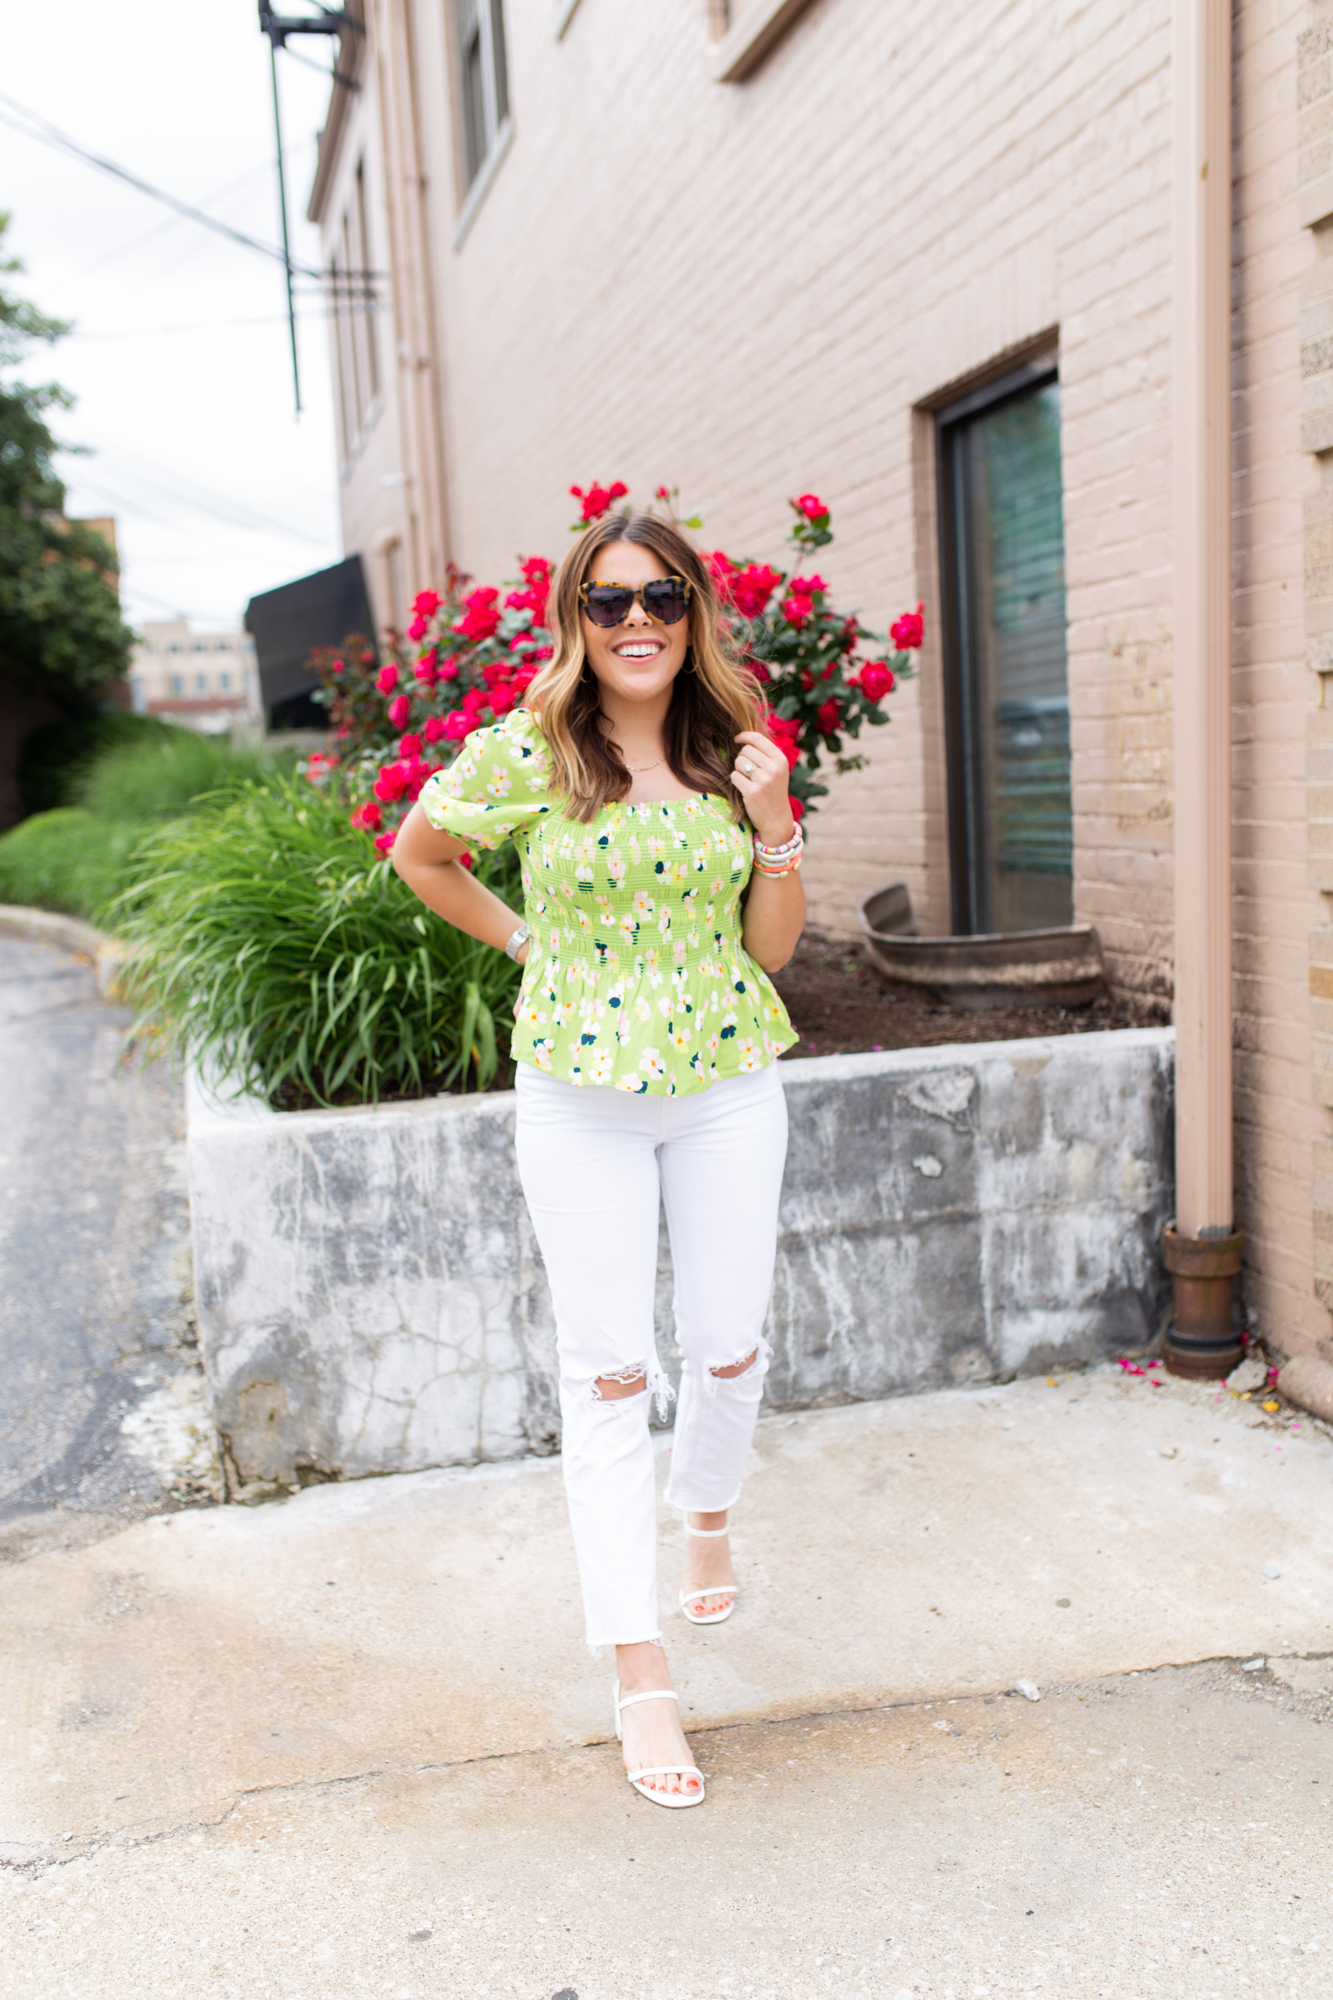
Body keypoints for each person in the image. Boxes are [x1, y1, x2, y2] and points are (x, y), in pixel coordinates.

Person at [391, 512, 805, 1808]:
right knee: (611, 1372)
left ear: (694, 617)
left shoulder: (723, 750)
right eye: (610, 602)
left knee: (729, 1342)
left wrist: (775, 816)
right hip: (580, 1097)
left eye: (662, 599)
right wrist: (528, 949)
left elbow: (777, 949)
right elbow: (422, 856)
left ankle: (708, 1507)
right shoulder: (535, 751)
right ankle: (641, 1674)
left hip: (728, 1082)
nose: (637, 623)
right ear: (576, 618)